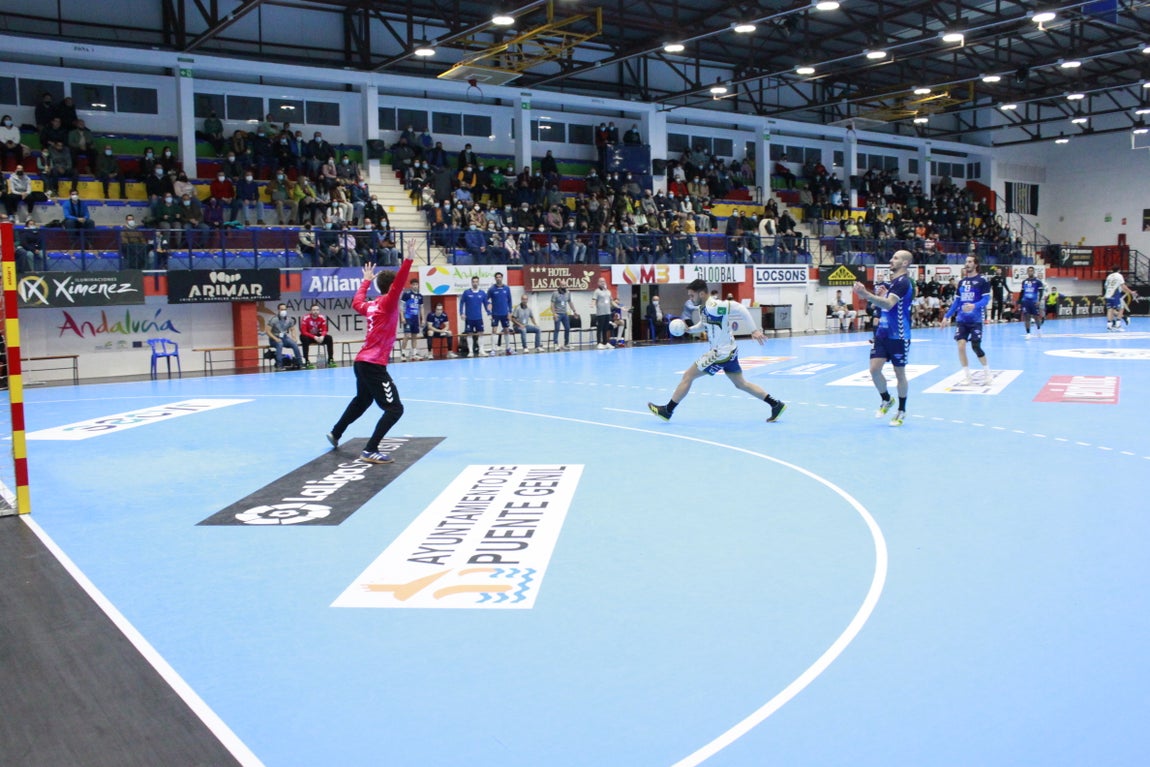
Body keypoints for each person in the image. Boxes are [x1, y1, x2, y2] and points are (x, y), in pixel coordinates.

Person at [647, 279, 786, 423]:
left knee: (688, 376)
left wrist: (754, 330)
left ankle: (667, 411)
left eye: (692, 295)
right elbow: (704, 325)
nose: (690, 299)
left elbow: (741, 309)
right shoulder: (703, 308)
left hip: (720, 353)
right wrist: (690, 329)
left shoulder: (714, 305)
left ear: (701, 293)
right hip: (730, 351)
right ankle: (775, 404)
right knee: (741, 384)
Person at [326, 256, 415, 465]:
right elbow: (400, 282)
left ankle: (336, 432)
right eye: (397, 287)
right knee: (395, 409)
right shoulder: (387, 302)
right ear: (393, 288)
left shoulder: (372, 305)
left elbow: (356, 302)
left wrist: (365, 281)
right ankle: (370, 450)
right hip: (373, 364)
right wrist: (408, 260)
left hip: (362, 362)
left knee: (363, 400)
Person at [853, 249, 915, 427]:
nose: (891, 260)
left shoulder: (904, 283)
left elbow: (889, 304)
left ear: (904, 263)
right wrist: (877, 298)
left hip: (899, 335)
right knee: (874, 369)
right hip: (882, 334)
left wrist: (866, 294)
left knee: (899, 373)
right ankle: (887, 399)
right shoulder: (891, 284)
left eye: (895, 258)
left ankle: (901, 410)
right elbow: (881, 307)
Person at [941, 255, 992, 385]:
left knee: (976, 347)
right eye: (966, 262)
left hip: (976, 320)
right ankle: (967, 376)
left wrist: (974, 305)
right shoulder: (961, 282)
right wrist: (947, 316)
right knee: (961, 346)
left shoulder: (982, 281)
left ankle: (987, 373)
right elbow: (957, 302)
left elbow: (986, 299)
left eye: (970, 262)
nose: (967, 264)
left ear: (976, 264)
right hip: (962, 320)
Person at [267, 302, 303, 371]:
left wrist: (294, 336)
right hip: (274, 338)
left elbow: (292, 329)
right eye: (282, 309)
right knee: (279, 344)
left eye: (285, 309)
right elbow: (268, 331)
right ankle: (279, 365)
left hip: (284, 337)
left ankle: (300, 363)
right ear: (278, 310)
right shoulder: (273, 319)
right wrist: (275, 338)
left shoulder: (289, 319)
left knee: (294, 344)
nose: (283, 311)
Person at [459, 275, 489, 357]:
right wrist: (461, 313)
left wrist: (489, 313)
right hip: (469, 318)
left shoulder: (482, 293)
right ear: (471, 283)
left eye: (476, 282)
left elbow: (486, 304)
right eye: (473, 282)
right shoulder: (466, 293)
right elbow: (461, 303)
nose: (475, 283)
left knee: (481, 333)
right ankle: (471, 351)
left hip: (478, 317)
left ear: (478, 282)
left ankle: (481, 350)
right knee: (469, 334)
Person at [300, 303, 337, 368]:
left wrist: (322, 336)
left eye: (317, 310)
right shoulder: (306, 318)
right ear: (311, 311)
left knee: (329, 338)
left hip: (317, 335)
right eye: (314, 310)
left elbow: (325, 329)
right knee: (304, 338)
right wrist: (314, 337)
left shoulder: (322, 317)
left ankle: (330, 359)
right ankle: (307, 361)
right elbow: (304, 331)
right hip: (308, 336)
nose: (315, 311)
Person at [488, 271, 514, 353]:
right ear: (495, 278)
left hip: (505, 313)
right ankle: (493, 349)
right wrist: (489, 311)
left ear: (502, 278)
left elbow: (509, 301)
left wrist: (510, 312)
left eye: (500, 277)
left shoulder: (507, 288)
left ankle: (508, 348)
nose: (498, 278)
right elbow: (486, 300)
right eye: (497, 277)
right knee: (494, 330)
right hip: (495, 314)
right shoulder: (491, 289)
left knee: (506, 330)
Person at [1104, 265, 1137, 331]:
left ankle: (1109, 326)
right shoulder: (1119, 276)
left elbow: (1105, 286)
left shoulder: (1109, 276)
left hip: (1108, 294)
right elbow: (1123, 285)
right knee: (1121, 308)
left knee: (1110, 309)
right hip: (1115, 294)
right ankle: (1118, 325)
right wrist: (1131, 292)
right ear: (1119, 270)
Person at [399, 277, 425, 360]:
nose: (415, 286)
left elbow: (421, 308)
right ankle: (403, 354)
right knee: (407, 335)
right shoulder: (407, 294)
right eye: (413, 285)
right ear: (410, 285)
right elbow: (401, 306)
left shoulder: (420, 296)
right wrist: (402, 317)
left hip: (415, 319)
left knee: (414, 336)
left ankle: (414, 354)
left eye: (416, 284)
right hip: (407, 318)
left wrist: (423, 318)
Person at [1019, 266, 1045, 339]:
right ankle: (1028, 333)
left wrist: (1039, 301)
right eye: (1029, 271)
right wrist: (1019, 301)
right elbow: (1022, 292)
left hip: (1034, 302)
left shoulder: (1037, 281)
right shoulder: (1024, 282)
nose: (1030, 272)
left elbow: (1041, 292)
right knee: (1027, 317)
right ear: (1027, 272)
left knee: (1036, 317)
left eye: (1031, 271)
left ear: (1033, 272)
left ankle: (1039, 329)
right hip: (1026, 302)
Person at [550, 285, 579, 349]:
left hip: (564, 314)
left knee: (567, 328)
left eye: (565, 285)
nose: (564, 286)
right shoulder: (555, 293)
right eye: (562, 285)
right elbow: (552, 304)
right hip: (558, 313)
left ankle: (566, 344)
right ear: (559, 286)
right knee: (557, 329)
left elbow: (570, 302)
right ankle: (555, 344)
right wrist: (554, 313)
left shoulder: (568, 293)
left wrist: (574, 311)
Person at [591, 277, 615, 349]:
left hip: (608, 312)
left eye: (603, 281)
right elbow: (594, 299)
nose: (602, 283)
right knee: (600, 328)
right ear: (598, 283)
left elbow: (612, 301)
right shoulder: (597, 291)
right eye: (601, 281)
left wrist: (620, 307)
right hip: (600, 313)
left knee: (606, 328)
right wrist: (592, 304)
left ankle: (605, 343)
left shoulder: (608, 291)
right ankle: (599, 343)